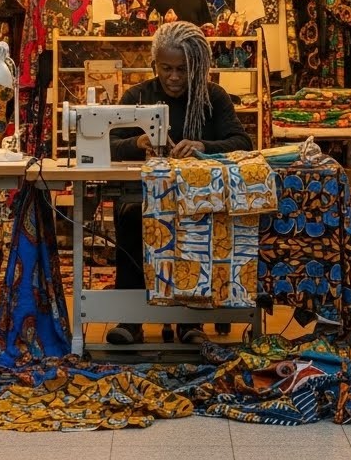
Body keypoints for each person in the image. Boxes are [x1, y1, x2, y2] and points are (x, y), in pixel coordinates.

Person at [107, 21, 252, 345]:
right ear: (154, 64)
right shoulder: (138, 96)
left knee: (194, 219)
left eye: (183, 69)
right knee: (131, 216)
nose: (174, 77)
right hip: (144, 197)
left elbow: (243, 142)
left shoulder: (213, 98)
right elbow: (109, 143)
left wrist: (203, 147)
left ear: (198, 67)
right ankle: (132, 318)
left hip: (199, 200)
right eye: (166, 68)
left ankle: (191, 320)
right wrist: (137, 144)